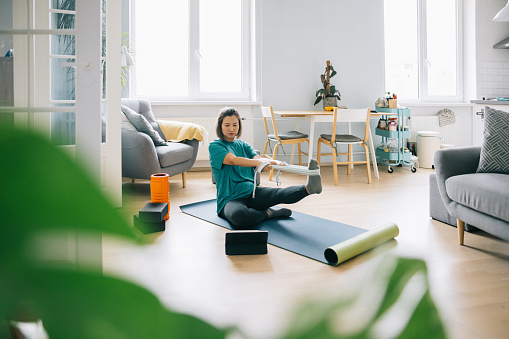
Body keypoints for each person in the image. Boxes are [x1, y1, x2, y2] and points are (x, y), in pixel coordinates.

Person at [209, 107, 322, 229]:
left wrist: (277, 163)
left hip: (251, 192)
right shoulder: (215, 146)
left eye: (235, 125)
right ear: (220, 126)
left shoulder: (244, 145)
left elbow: (258, 159)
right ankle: (269, 213)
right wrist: (258, 163)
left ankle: (309, 188)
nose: (231, 129)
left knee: (278, 193)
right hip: (230, 198)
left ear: (239, 126)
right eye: (227, 125)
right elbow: (233, 160)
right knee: (239, 216)